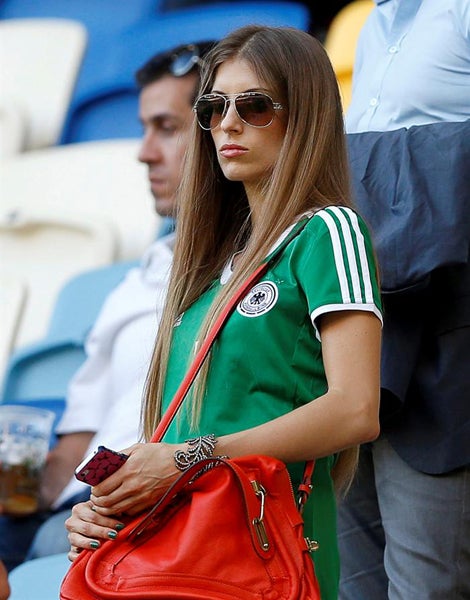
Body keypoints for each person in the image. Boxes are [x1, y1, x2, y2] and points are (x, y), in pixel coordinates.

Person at [65, 25, 383, 600]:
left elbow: (356, 409)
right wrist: (105, 509)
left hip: (265, 554)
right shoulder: (206, 267)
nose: (228, 124)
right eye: (213, 108)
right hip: (181, 557)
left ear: (304, 116)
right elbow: (170, 439)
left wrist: (189, 459)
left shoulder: (328, 230)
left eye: (254, 106)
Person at [0, 40, 215, 572]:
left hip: (159, 507)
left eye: (167, 128)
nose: (144, 152)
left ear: (222, 132)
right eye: (144, 128)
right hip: (73, 511)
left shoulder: (264, 268)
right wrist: (15, 477)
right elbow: (72, 457)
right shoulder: (137, 280)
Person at [337, 1, 470, 598]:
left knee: (426, 584)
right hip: (365, 328)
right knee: (351, 581)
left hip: (448, 337)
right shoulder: (373, 25)